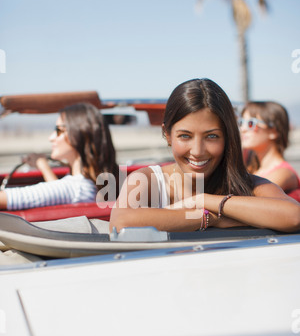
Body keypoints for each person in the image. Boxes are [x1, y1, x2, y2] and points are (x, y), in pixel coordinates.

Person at [110, 78, 300, 233]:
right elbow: (121, 222)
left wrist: (202, 200)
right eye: (185, 136)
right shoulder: (148, 179)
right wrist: (210, 218)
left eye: (211, 136)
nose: (198, 151)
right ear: (167, 135)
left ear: (227, 137)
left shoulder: (249, 184)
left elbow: (294, 216)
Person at [0, 103, 119, 210]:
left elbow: (59, 191)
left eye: (59, 131)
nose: (51, 138)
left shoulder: (76, 189)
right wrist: (42, 165)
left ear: (78, 135)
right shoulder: (90, 185)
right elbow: (59, 192)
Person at [239, 101, 300, 194]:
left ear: (274, 132)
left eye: (251, 123)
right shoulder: (252, 168)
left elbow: (247, 198)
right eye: (241, 122)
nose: (243, 129)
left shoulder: (284, 173)